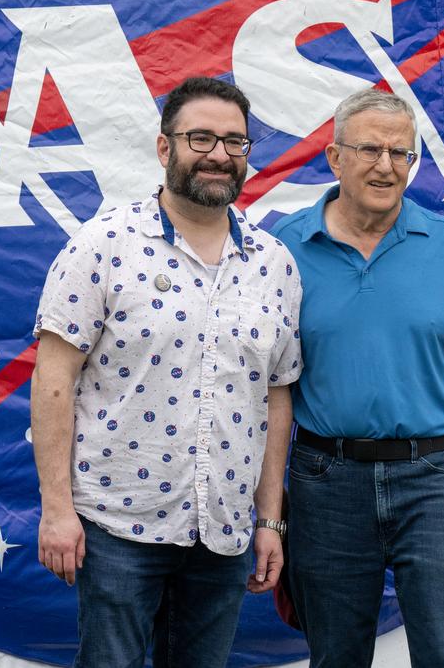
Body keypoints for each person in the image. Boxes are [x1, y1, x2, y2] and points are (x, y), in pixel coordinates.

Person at [29, 77, 303, 668]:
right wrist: (56, 508)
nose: (219, 155)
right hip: (116, 523)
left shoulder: (274, 265)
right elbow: (54, 378)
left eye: (235, 142)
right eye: (200, 138)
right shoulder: (103, 244)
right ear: (164, 148)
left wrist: (270, 519)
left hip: (224, 530)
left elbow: (276, 399)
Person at [272, 87, 444, 668]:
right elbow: (272, 386)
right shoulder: (284, 246)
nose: (386, 165)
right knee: (336, 656)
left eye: (401, 153)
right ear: (335, 158)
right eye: (370, 149)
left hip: (435, 479)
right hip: (325, 479)